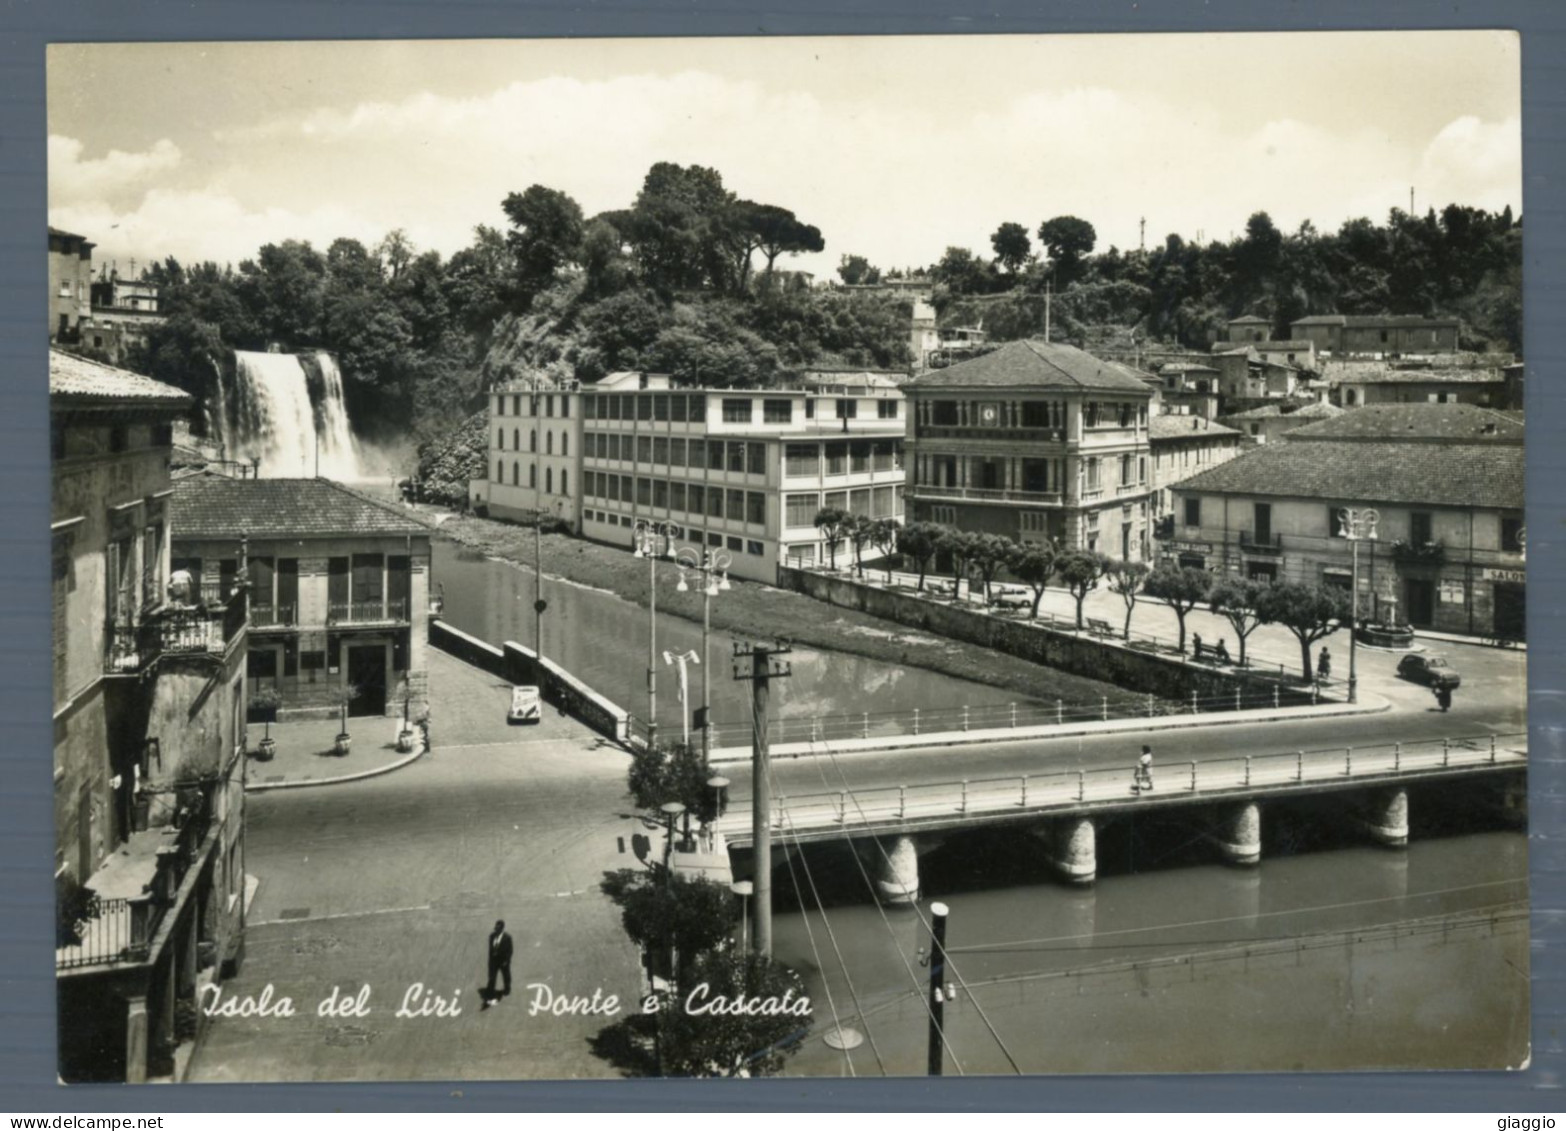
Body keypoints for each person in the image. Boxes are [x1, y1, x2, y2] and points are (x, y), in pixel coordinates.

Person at [484, 920, 513, 1006]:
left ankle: (507, 989)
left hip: (503, 961)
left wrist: (506, 961)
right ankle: (491, 992)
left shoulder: (507, 938)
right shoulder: (492, 936)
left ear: (502, 929)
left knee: (506, 976)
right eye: (495, 928)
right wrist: (490, 961)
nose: (496, 930)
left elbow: (510, 951)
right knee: (492, 977)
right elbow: (490, 949)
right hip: (493, 961)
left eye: (498, 929)